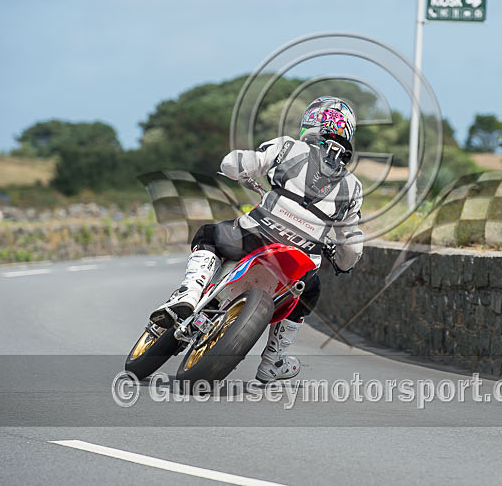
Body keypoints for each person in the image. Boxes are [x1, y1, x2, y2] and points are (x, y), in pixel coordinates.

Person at [149, 96, 364, 382]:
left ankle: (189, 293)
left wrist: (239, 171)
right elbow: (352, 248)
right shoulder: (353, 187)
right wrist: (342, 262)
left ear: (311, 122)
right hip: (301, 260)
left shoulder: (288, 147)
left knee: (208, 235)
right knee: (310, 292)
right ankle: (273, 360)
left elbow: (232, 163)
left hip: (257, 235)